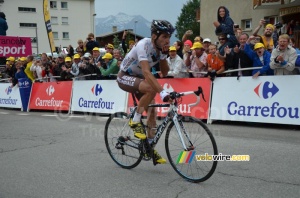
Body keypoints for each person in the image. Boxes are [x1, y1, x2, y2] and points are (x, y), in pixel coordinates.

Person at [117, 20, 175, 164]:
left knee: (152, 113)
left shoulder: (161, 49)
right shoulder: (144, 45)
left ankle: (149, 147)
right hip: (125, 76)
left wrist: (164, 55)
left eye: (169, 37)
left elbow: (165, 72)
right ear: (154, 36)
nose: (167, 40)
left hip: (139, 79)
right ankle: (135, 120)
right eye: (164, 37)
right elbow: (147, 72)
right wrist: (163, 92)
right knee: (151, 90)